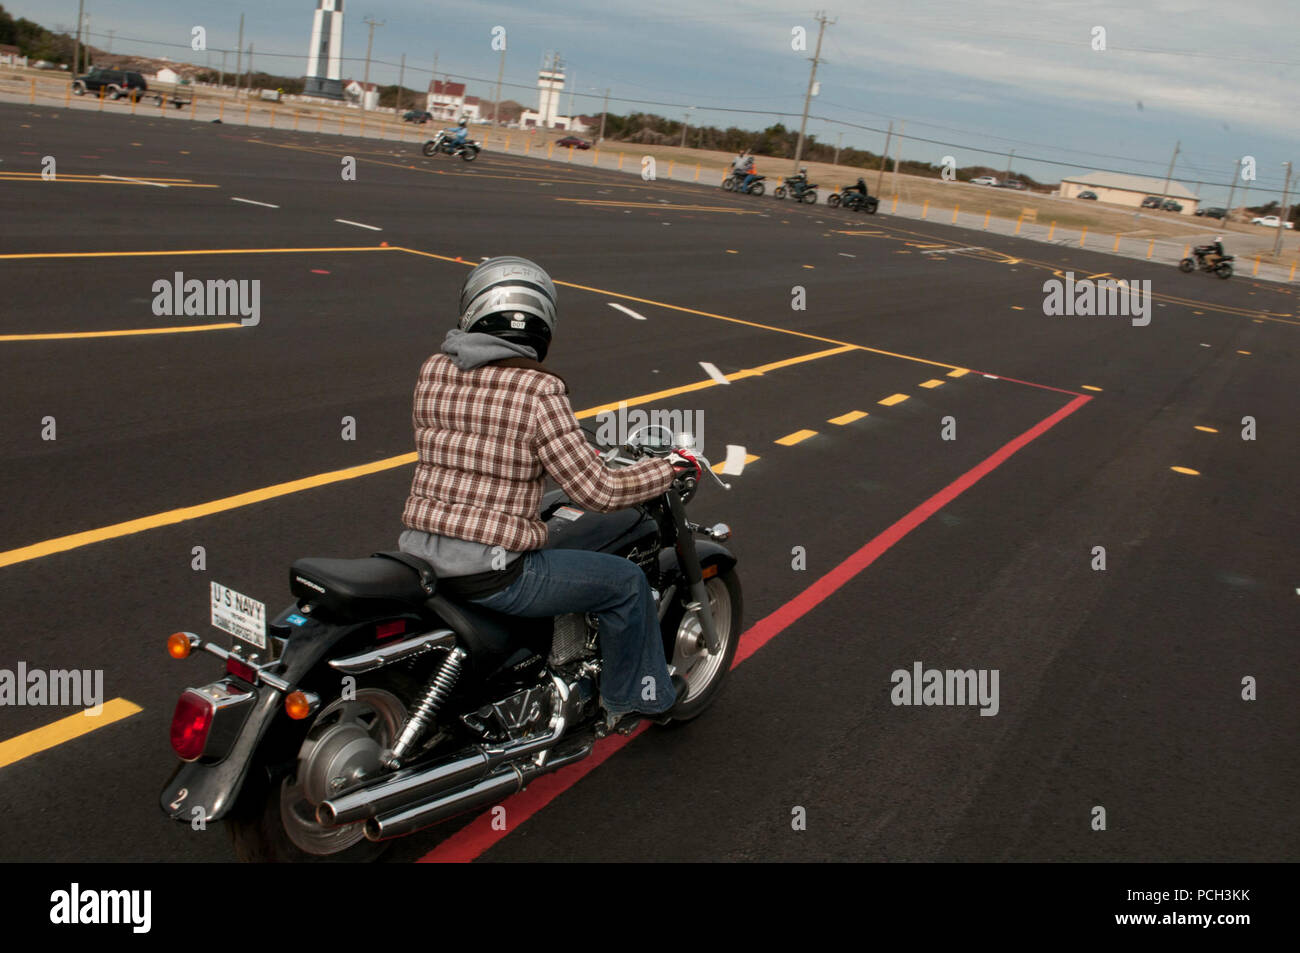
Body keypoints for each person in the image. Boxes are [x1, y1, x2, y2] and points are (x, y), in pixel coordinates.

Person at [398, 256, 700, 731]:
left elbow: (480, 447)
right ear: (542, 322)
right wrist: (663, 470)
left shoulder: (435, 370)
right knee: (624, 583)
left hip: (421, 554)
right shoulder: (537, 390)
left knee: (542, 510)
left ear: (474, 308)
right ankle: (635, 698)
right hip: (492, 572)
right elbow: (597, 492)